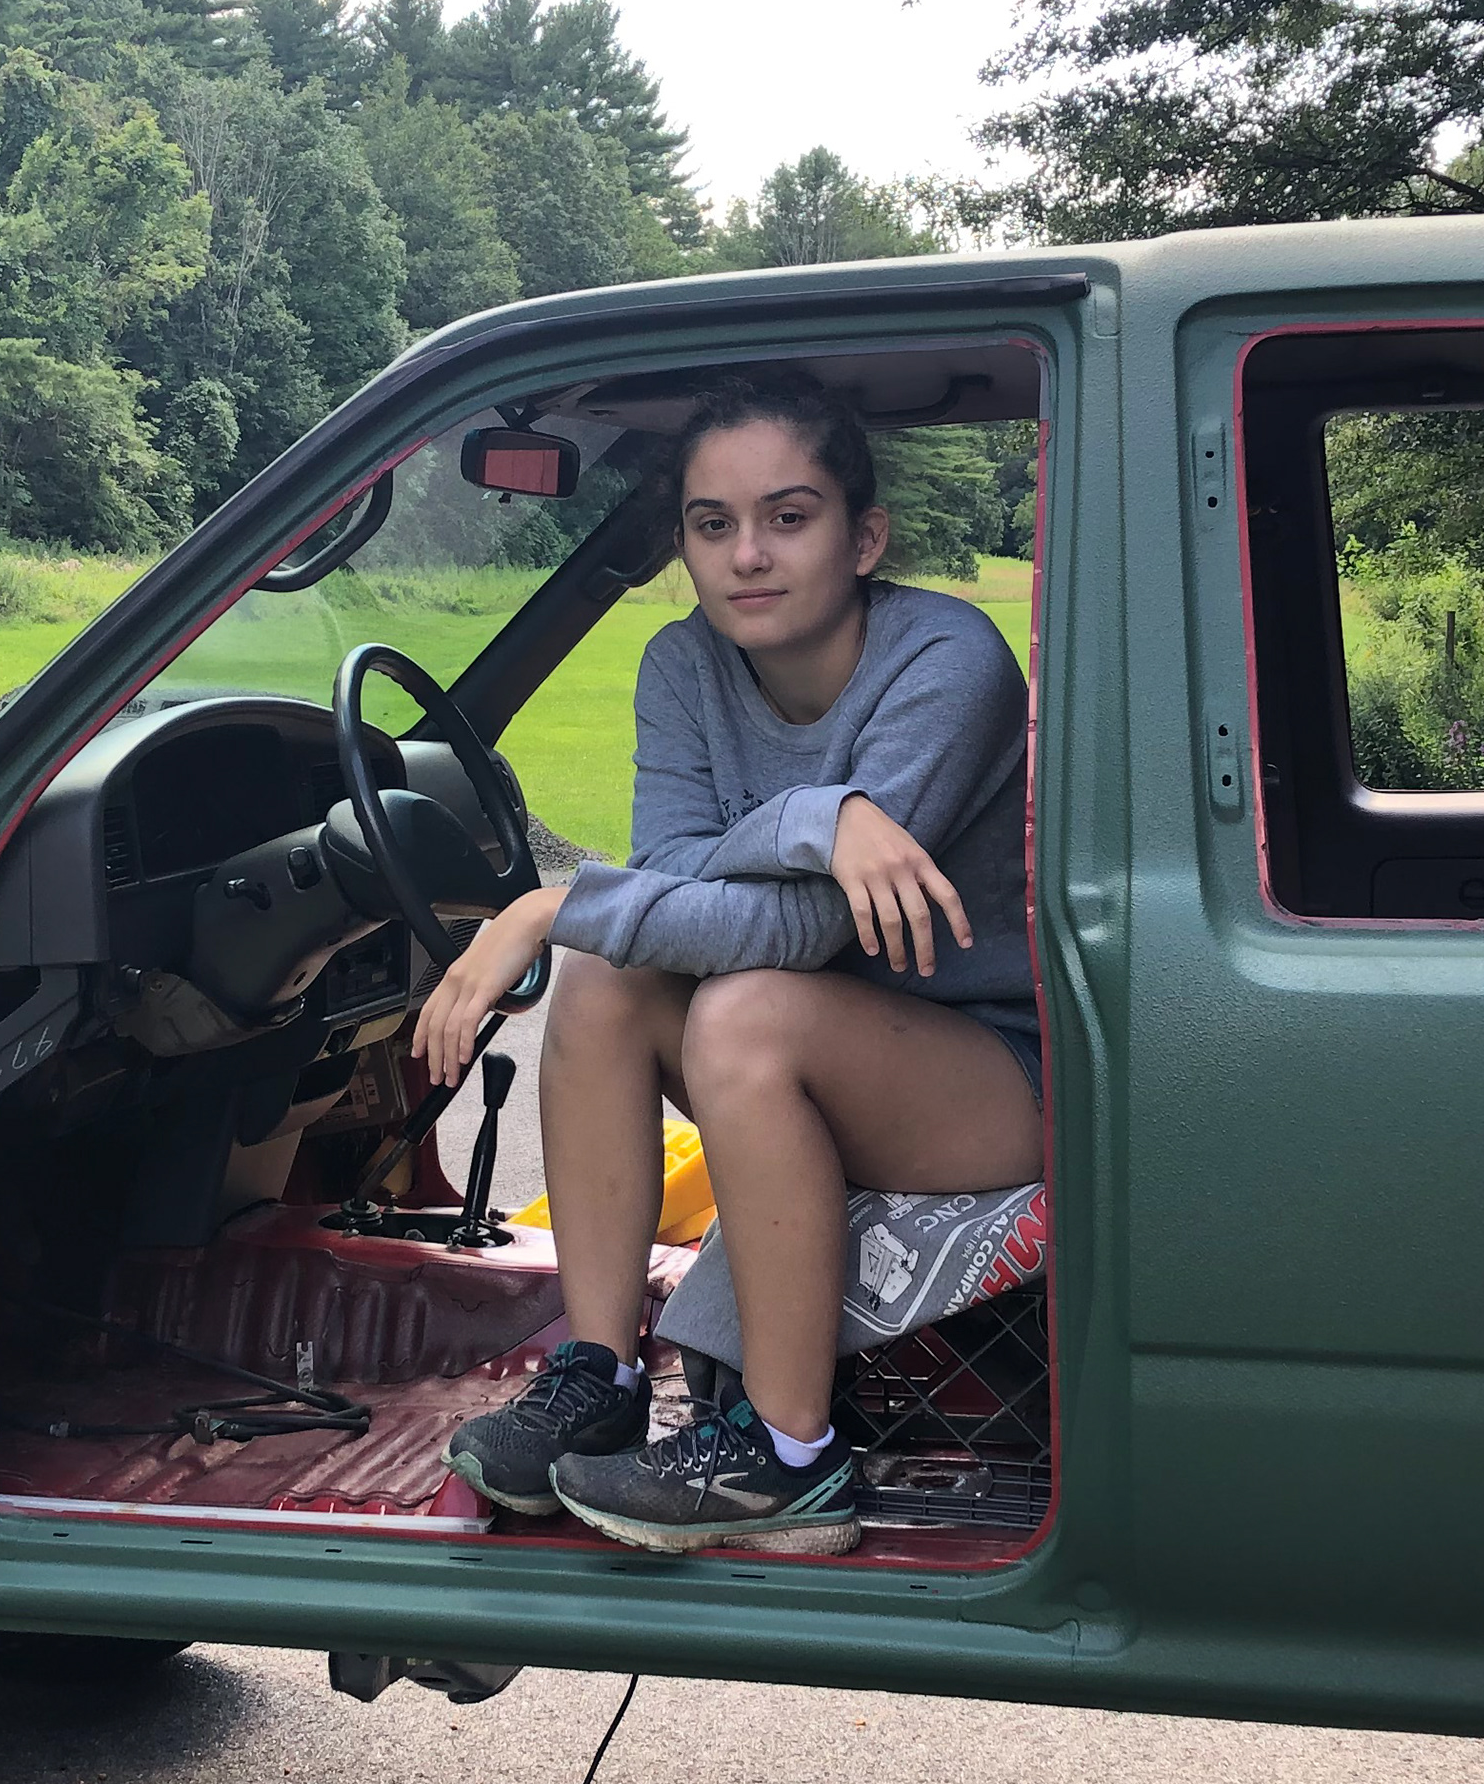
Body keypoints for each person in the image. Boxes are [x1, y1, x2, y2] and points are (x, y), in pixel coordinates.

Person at [421, 372, 1042, 1556]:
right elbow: (670, 888)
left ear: (864, 537)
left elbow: (805, 935)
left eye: (789, 516)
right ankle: (597, 1379)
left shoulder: (946, 663)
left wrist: (549, 907)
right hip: (817, 1045)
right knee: (613, 973)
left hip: (993, 1077)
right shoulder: (683, 668)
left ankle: (792, 1458)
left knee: (740, 1009)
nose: (747, 555)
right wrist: (821, 823)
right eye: (713, 524)